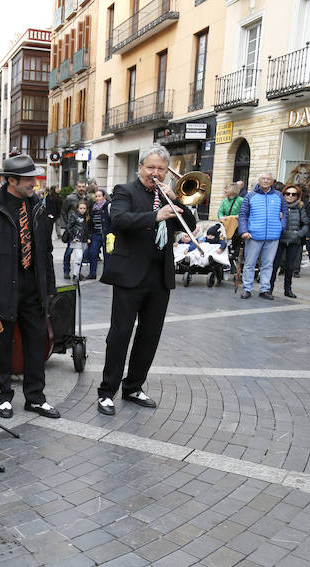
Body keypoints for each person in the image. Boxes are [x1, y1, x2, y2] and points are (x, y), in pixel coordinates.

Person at [95, 145, 196, 416]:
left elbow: (191, 224)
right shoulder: (124, 190)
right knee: (120, 335)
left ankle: (133, 386)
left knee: (149, 335)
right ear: (140, 167)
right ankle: (107, 392)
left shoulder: (168, 195)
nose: (156, 173)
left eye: (161, 169)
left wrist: (179, 202)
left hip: (159, 275)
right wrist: (156, 215)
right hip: (130, 275)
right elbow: (119, 219)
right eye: (150, 167)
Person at [0, 153, 60, 420]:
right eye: (28, 178)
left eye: (34, 177)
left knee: (36, 342)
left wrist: (50, 287)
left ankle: (36, 397)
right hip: (2, 289)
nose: (34, 182)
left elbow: (46, 251)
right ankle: (3, 395)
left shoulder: (38, 206)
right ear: (11, 180)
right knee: (3, 344)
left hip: (33, 288)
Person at [237, 171, 287, 300]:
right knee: (249, 263)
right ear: (259, 181)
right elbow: (243, 215)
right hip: (253, 235)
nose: (265, 181)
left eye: (268, 179)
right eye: (263, 179)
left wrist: (281, 227)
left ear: (272, 181)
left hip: (273, 236)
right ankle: (247, 288)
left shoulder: (278, 195)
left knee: (268, 264)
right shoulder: (250, 196)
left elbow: (285, 213)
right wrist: (244, 231)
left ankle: (264, 289)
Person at [269, 186, 309, 299]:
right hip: (279, 239)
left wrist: (299, 234)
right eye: (287, 193)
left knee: (290, 266)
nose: (290, 196)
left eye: (293, 194)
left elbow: (306, 224)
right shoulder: (278, 206)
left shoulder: (300, 207)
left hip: (294, 240)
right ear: (283, 194)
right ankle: (269, 288)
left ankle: (288, 289)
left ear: (297, 196)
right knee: (275, 265)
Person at [60, 179, 92, 278]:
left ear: (86, 187)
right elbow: (63, 211)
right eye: (80, 186)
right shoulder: (70, 198)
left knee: (81, 253)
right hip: (72, 232)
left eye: (83, 186)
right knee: (68, 252)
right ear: (76, 187)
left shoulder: (89, 199)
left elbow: (89, 213)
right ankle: (66, 271)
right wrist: (67, 225)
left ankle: (78, 272)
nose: (81, 188)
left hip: (83, 232)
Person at [66, 201, 91, 280]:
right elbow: (68, 227)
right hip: (77, 239)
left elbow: (88, 229)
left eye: (84, 208)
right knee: (79, 256)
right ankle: (76, 274)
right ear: (77, 208)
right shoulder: (74, 216)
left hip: (84, 240)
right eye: (81, 208)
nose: (82, 210)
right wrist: (73, 237)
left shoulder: (87, 217)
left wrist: (88, 237)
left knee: (79, 257)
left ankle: (76, 274)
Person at [87, 189, 109, 278]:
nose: (97, 198)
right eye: (96, 196)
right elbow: (90, 223)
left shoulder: (108, 206)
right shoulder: (93, 208)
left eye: (99, 196)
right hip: (96, 234)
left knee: (107, 255)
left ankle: (106, 275)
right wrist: (89, 235)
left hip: (106, 234)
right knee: (92, 253)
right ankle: (92, 274)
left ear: (104, 197)